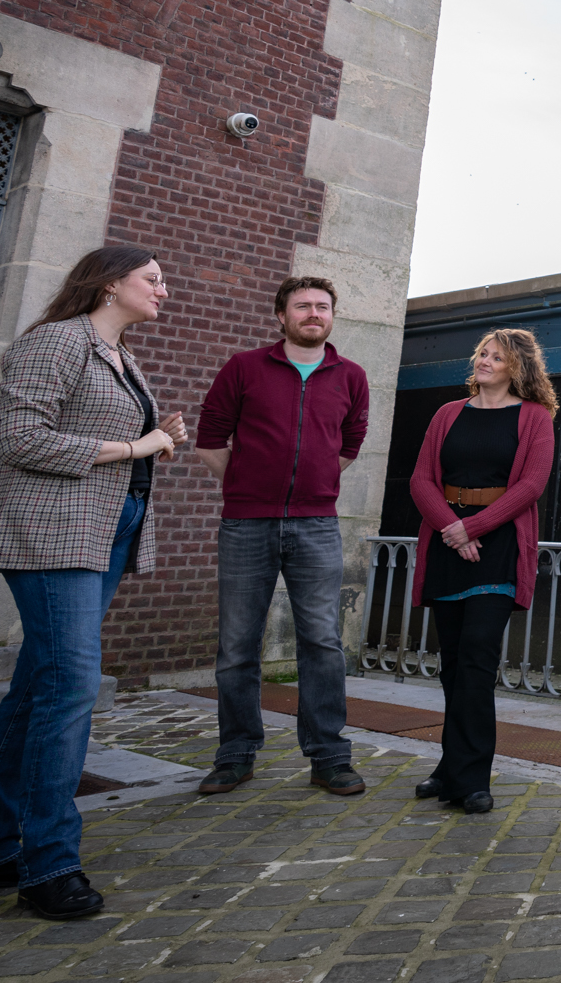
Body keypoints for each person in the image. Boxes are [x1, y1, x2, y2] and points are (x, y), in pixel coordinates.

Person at [0, 246, 187, 920]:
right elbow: (23, 440)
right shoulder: (55, 343)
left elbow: (103, 434)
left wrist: (156, 435)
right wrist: (139, 447)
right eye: (153, 279)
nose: (163, 290)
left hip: (105, 531)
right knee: (71, 683)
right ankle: (48, 864)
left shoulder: (122, 357)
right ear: (110, 283)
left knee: (37, 688)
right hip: (53, 535)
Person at [195, 277, 371, 797]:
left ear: (332, 316)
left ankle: (329, 757)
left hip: (317, 525)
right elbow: (209, 438)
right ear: (281, 316)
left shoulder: (351, 376)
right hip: (246, 523)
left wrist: (314, 488)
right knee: (237, 645)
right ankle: (235, 754)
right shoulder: (244, 367)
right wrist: (247, 486)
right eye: (303, 307)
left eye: (322, 307)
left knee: (322, 642)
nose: (314, 314)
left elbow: (351, 442)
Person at [405, 329, 559, 814]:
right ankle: (452, 763)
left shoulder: (536, 417)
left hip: (499, 549)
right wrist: (453, 528)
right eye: (482, 355)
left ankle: (471, 778)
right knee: (452, 663)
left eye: (496, 357)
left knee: (476, 657)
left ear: (518, 368)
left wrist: (473, 527)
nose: (485, 362)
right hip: (450, 544)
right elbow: (421, 479)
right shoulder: (447, 414)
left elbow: (532, 485)